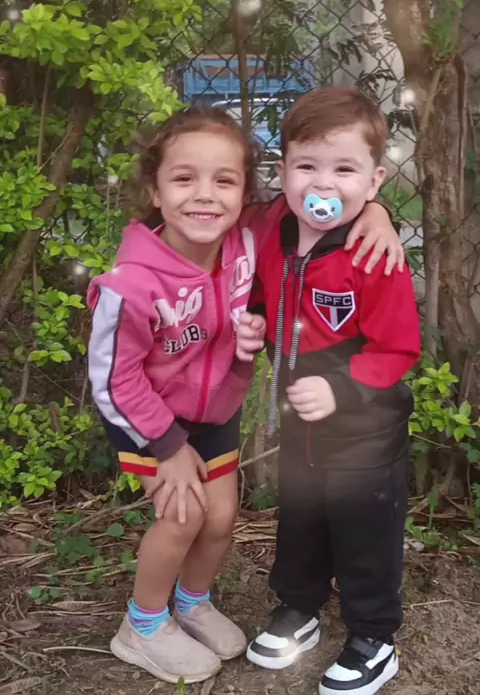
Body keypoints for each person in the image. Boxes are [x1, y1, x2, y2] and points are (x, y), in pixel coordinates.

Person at [87, 104, 403, 685]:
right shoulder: (131, 284)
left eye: (224, 181)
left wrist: (378, 213)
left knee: (221, 517)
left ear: (245, 194)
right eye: (184, 178)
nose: (205, 196)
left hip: (214, 412)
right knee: (183, 517)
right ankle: (143, 624)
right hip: (150, 418)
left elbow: (327, 194)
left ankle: (192, 602)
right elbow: (112, 379)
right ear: (155, 190)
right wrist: (165, 447)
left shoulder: (246, 236)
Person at [236, 87, 421, 695]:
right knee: (302, 518)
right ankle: (299, 606)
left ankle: (374, 637)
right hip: (300, 423)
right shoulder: (274, 229)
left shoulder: (374, 254)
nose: (323, 183)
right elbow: (262, 292)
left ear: (374, 180)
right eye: (306, 165)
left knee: (365, 534)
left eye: (344, 169)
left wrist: (341, 388)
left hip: (365, 432)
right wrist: (254, 320)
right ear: (283, 170)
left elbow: (397, 349)